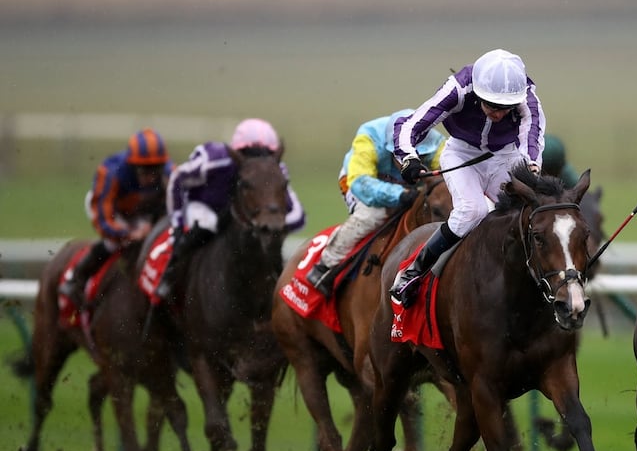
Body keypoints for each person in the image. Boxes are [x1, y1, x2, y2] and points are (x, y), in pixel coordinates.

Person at [389, 48, 546, 306]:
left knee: (527, 212)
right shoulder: (459, 88)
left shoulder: (526, 96)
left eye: (506, 108)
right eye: (492, 105)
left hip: (505, 156)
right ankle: (413, 272)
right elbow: (410, 124)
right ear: (478, 92)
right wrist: (409, 158)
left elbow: (533, 134)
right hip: (461, 153)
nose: (498, 113)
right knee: (472, 211)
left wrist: (531, 167)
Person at [157, 118, 306, 299]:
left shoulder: (276, 171)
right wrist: (179, 224)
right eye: (250, 154)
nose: (259, 164)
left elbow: (297, 215)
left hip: (243, 214)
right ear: (236, 152)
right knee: (207, 223)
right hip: (206, 207)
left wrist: (272, 221)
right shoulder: (212, 159)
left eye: (266, 155)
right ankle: (171, 274)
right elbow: (177, 179)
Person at [304, 109, 446, 296]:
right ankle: (326, 265)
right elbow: (361, 182)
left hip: (409, 190)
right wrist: (400, 195)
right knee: (371, 215)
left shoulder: (438, 145)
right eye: (401, 156)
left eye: (416, 156)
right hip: (357, 183)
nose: (408, 161)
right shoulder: (369, 137)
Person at [58, 128, 172, 307]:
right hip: (109, 209)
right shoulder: (110, 173)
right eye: (144, 171)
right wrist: (128, 233)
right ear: (132, 166)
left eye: (155, 170)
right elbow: (104, 220)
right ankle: (76, 279)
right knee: (114, 243)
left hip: (141, 212)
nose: (151, 177)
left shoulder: (169, 171)